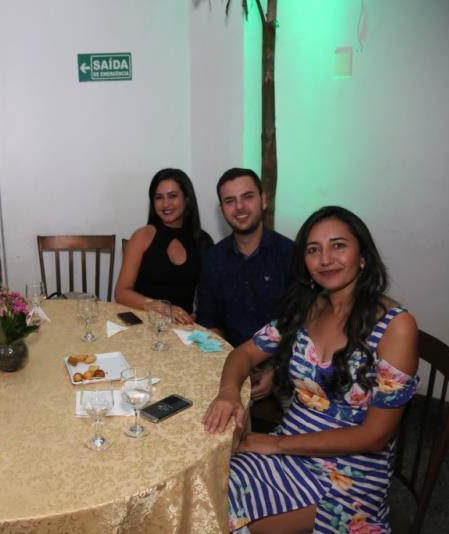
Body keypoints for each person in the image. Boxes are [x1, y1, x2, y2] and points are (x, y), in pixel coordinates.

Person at [202, 206, 418, 533]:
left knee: (217, 517)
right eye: (313, 250)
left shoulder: (395, 326)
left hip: (349, 475)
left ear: (363, 256)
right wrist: (228, 393)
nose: (325, 259)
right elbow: (243, 354)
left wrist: (275, 444)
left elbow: (375, 436)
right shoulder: (308, 308)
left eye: (338, 245)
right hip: (288, 446)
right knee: (203, 487)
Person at [196, 167, 294, 411]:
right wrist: (232, 367)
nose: (239, 207)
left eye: (247, 197)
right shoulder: (213, 259)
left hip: (286, 363)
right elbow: (209, 323)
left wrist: (277, 371)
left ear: (263, 200)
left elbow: (306, 326)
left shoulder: (291, 255)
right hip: (231, 362)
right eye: (230, 201)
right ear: (222, 210)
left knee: (307, 421)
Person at [115, 168, 213, 324]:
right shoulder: (142, 236)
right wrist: (162, 308)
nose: (165, 204)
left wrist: (198, 315)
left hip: (183, 327)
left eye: (173, 196)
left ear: (187, 198)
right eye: (159, 197)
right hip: (143, 323)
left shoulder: (203, 241)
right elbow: (121, 293)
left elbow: (210, 294)